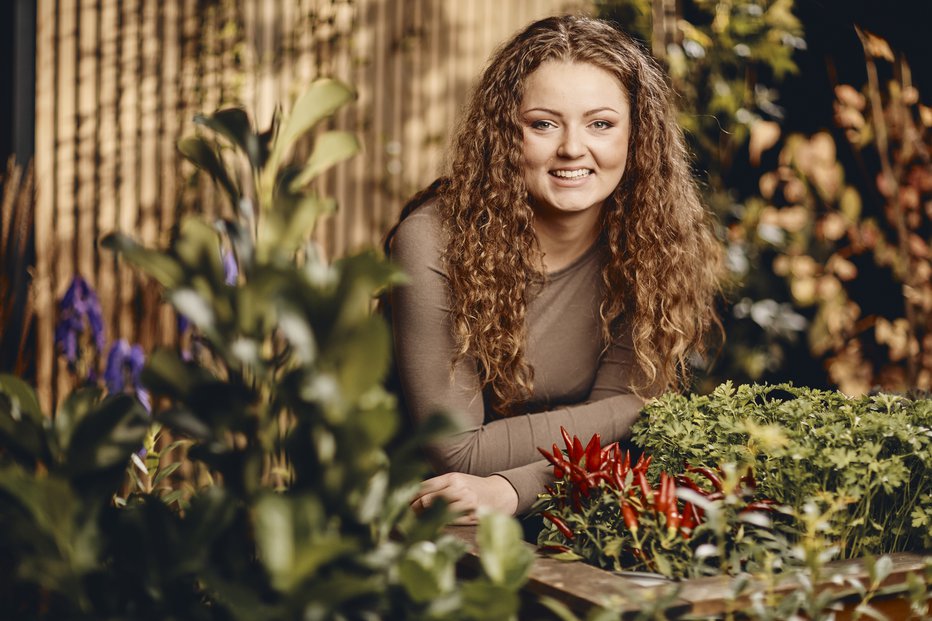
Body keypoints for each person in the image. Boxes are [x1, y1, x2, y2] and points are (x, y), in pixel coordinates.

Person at [384, 15, 722, 523]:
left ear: (637, 135)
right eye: (543, 123)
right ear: (505, 136)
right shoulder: (433, 241)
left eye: (601, 124)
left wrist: (510, 489)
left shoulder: (655, 245)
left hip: (572, 511)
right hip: (419, 519)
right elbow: (457, 453)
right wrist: (637, 410)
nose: (572, 148)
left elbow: (631, 451)